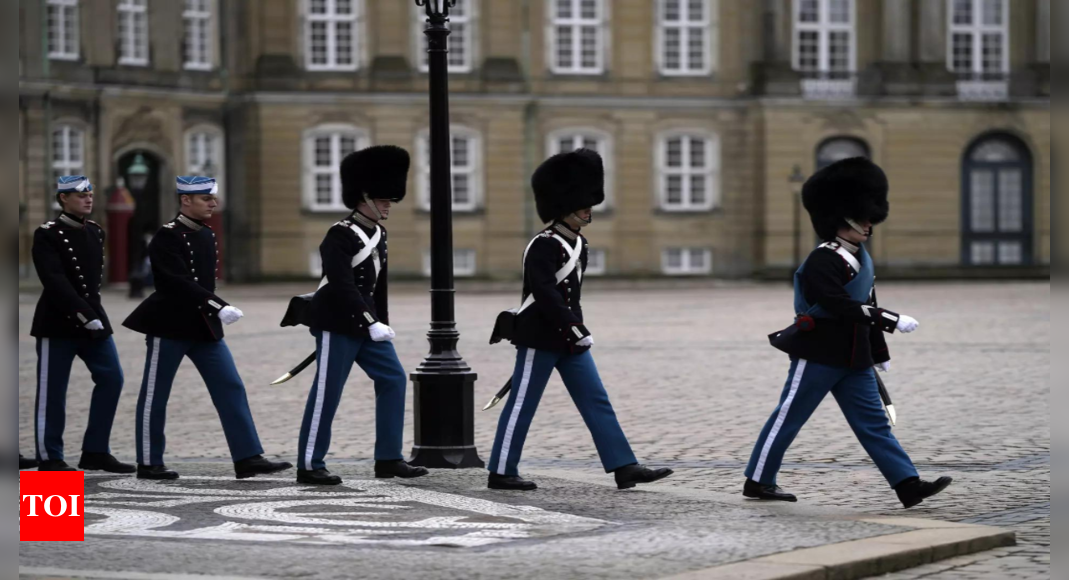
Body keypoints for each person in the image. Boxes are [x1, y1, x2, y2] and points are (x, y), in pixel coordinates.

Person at [743, 157, 952, 509]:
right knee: (788, 418)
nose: (869, 225)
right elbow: (838, 304)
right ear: (841, 220)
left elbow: (865, 305)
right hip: (820, 352)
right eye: (862, 218)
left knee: (874, 425)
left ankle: (907, 484)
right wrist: (890, 318)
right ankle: (759, 481)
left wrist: (879, 353)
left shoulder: (860, 257)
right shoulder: (823, 259)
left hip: (853, 356)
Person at [487, 149, 673, 491]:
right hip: (540, 336)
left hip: (568, 338)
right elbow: (544, 294)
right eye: (582, 203)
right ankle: (501, 470)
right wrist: (575, 328)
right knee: (522, 405)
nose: (589, 209)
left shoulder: (579, 244)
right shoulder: (542, 245)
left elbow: (573, 295)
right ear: (563, 205)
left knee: (596, 400)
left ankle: (624, 466)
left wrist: (575, 330)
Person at [123, 176, 292, 481]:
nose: (213, 203)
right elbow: (176, 281)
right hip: (170, 324)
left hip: (202, 327)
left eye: (213, 199)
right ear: (186, 200)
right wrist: (217, 305)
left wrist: (212, 309)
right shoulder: (167, 236)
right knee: (155, 393)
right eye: (206, 199)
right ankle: (149, 461)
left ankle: (248, 457)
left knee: (230, 387)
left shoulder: (207, 234)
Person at [281, 146, 427, 486]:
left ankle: (389, 458)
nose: (389, 205)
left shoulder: (379, 233)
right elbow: (342, 284)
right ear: (364, 197)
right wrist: (369, 320)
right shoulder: (340, 234)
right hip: (337, 322)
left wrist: (380, 320)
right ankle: (309, 463)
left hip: (366, 325)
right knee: (328, 391)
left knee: (392, 380)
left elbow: (378, 288)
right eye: (383, 200)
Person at [29, 176, 133, 473]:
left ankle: (96, 450)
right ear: (63, 198)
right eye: (80, 194)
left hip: (95, 320)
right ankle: (50, 457)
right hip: (58, 322)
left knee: (112, 378)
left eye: (89, 193)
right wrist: (83, 315)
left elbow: (91, 283)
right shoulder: (47, 233)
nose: (88, 198)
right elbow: (54, 280)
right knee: (53, 391)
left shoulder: (95, 232)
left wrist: (94, 317)